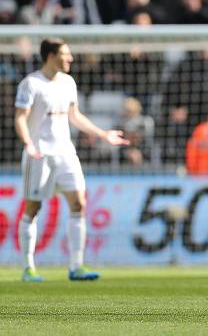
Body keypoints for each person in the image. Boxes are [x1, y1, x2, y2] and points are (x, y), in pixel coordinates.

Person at [14, 38, 129, 282]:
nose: (70, 58)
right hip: (39, 154)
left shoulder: (68, 82)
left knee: (79, 203)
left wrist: (103, 134)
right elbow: (21, 118)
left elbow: (75, 116)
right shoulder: (31, 84)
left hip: (66, 152)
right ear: (51, 56)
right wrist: (29, 143)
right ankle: (28, 267)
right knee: (33, 208)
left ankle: (76, 266)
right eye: (65, 54)